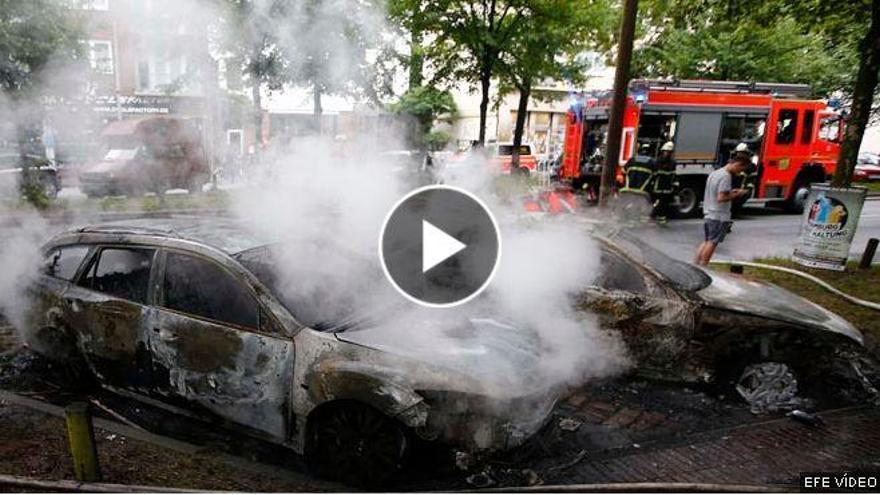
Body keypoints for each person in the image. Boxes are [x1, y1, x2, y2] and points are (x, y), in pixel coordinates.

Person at [694, 155, 751, 265]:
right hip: (719, 215)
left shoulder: (715, 173)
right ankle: (704, 266)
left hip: (709, 212)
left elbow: (717, 192)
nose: (740, 172)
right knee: (712, 243)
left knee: (706, 241)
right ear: (737, 164)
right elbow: (721, 198)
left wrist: (731, 192)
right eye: (741, 169)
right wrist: (737, 194)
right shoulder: (726, 176)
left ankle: (695, 265)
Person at [651, 141, 678, 224]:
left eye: (669, 152)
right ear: (662, 151)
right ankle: (653, 215)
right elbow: (654, 174)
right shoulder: (657, 162)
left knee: (664, 204)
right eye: (667, 152)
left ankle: (661, 218)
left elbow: (673, 175)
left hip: (666, 188)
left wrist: (675, 187)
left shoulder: (672, 163)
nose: (668, 154)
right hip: (658, 187)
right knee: (655, 202)